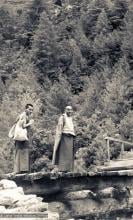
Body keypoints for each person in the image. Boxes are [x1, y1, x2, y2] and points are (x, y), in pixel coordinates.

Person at [9, 104, 34, 174]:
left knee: (22, 151)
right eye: (29, 109)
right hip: (22, 137)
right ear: (26, 109)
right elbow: (23, 126)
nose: (31, 111)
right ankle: (20, 170)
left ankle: (21, 170)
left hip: (21, 137)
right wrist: (30, 123)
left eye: (32, 110)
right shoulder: (23, 115)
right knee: (22, 151)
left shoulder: (25, 115)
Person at [52, 106, 76, 172]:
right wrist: (59, 138)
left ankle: (69, 169)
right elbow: (59, 128)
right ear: (65, 110)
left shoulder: (71, 118)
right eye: (68, 110)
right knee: (64, 153)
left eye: (71, 110)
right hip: (64, 137)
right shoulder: (62, 117)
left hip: (70, 137)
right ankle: (62, 169)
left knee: (69, 154)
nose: (70, 111)